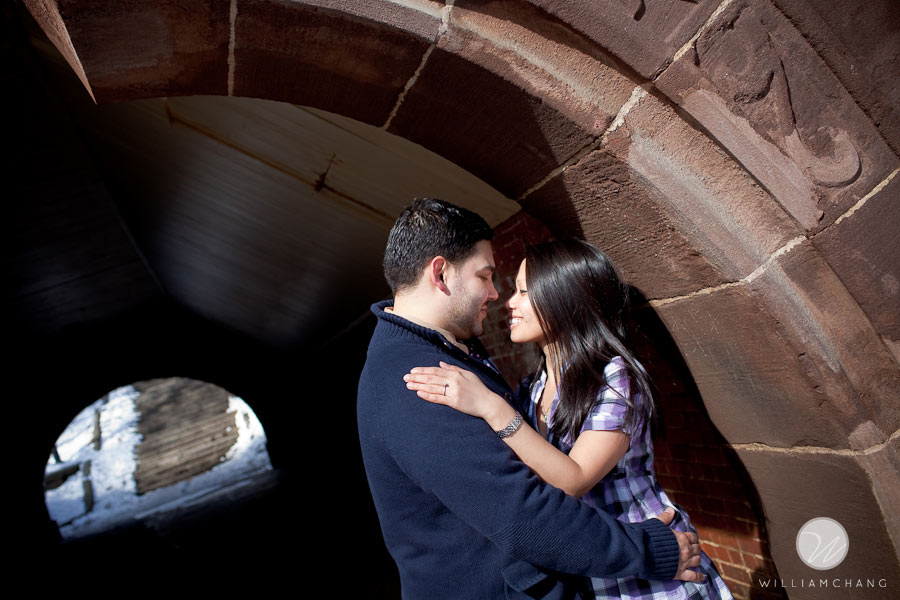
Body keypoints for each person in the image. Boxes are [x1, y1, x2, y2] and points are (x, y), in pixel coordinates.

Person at [357, 198, 704, 599]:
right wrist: (650, 550)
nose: (494, 294)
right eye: (485, 276)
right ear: (440, 273)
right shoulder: (417, 381)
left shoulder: (438, 356)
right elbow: (523, 514)